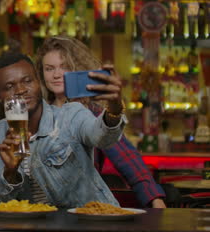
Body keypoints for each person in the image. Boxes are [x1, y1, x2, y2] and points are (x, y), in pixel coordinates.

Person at [35, 35, 166, 208]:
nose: (57, 74)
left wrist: (154, 200)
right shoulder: (37, 113)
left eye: (64, 67)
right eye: (49, 69)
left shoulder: (93, 112)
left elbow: (127, 159)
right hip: (44, 211)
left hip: (84, 210)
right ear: (41, 74)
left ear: (77, 69)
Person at [0, 51, 127, 208]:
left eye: (27, 81)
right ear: (0, 98)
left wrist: (114, 109)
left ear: (38, 82)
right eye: (10, 86)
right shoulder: (1, 131)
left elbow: (102, 138)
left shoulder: (70, 115)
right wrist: (9, 172)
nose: (20, 90)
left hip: (92, 221)